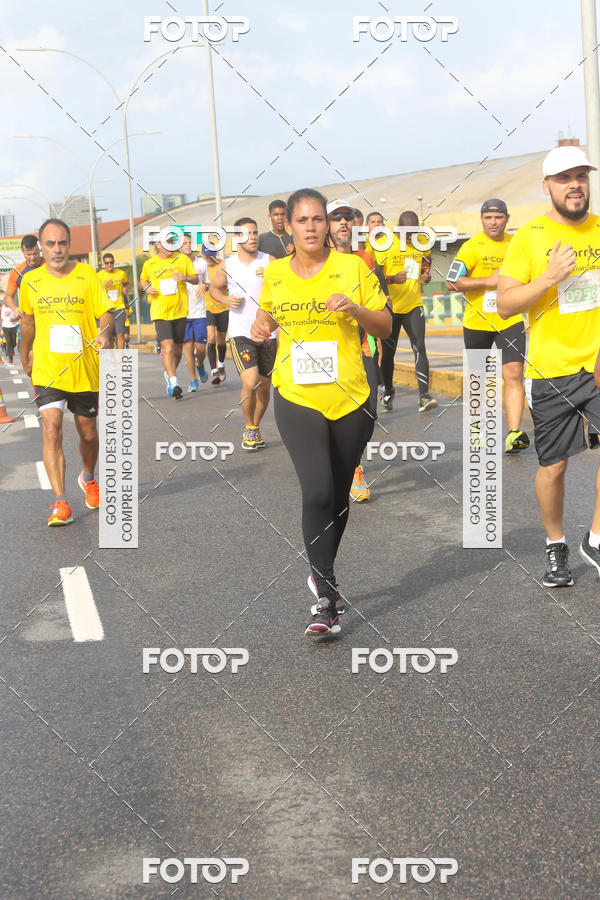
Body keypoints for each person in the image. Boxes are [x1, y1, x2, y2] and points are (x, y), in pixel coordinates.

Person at [251, 188, 391, 636]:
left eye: (318, 219)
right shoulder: (274, 273)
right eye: (302, 220)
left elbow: (385, 324)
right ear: (288, 226)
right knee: (315, 491)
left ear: (327, 225)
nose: (311, 227)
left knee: (335, 494)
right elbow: (266, 319)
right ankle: (326, 597)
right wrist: (262, 325)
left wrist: (356, 308)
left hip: (350, 395)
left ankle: (321, 569)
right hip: (297, 395)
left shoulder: (352, 267)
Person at [497, 145, 600, 587]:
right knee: (554, 466)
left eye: (581, 175)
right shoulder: (531, 237)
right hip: (552, 370)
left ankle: (595, 538)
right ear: (547, 187)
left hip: (596, 364)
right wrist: (548, 278)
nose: (575, 184)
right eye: (564, 178)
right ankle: (555, 543)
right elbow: (504, 305)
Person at [18, 218, 113, 526]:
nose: (56, 249)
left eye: (62, 243)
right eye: (50, 244)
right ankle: (60, 502)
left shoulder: (87, 275)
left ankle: (88, 478)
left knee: (88, 432)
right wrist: (25, 355)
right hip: (49, 370)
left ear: (69, 245)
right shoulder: (31, 281)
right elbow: (28, 322)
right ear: (41, 248)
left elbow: (105, 312)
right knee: (52, 429)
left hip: (84, 367)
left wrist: (106, 333)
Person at [447, 199, 530, 453]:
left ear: (507, 218)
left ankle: (513, 433)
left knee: (514, 374)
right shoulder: (472, 246)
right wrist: (489, 280)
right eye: (488, 218)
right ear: (482, 219)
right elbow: (452, 282)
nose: (493, 222)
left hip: (511, 319)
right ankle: (476, 430)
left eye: (498, 217)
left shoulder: (517, 244)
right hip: (477, 322)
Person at [327, 198, 386, 502]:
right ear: (327, 225)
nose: (343, 223)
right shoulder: (317, 262)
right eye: (336, 218)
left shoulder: (366, 260)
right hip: (328, 351)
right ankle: (349, 465)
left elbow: (382, 307)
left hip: (363, 348)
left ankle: (353, 462)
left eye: (347, 217)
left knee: (369, 412)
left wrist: (361, 311)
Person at [209, 218, 276, 450]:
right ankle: (249, 426)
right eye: (248, 234)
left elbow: (286, 287)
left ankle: (255, 427)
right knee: (251, 380)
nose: (254, 237)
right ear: (237, 238)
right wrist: (225, 299)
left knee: (265, 386)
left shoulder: (270, 261)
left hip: (268, 333)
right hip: (240, 333)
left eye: (256, 233)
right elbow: (214, 288)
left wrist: (272, 277)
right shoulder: (228, 265)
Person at [368, 211, 438, 413]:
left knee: (420, 346)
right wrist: (392, 279)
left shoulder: (422, 240)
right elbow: (375, 276)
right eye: (407, 234)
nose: (410, 238)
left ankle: (424, 396)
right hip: (390, 307)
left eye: (413, 233)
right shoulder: (384, 244)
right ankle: (388, 391)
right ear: (397, 228)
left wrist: (426, 275)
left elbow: (427, 261)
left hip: (413, 304)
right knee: (388, 354)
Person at [140, 237, 198, 398]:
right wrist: (146, 288)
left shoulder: (182, 259)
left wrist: (185, 278)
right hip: (160, 312)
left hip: (179, 311)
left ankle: (169, 373)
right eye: (167, 242)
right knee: (168, 346)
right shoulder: (150, 264)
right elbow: (143, 280)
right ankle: (173, 382)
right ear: (159, 245)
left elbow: (195, 278)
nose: (171, 245)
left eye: (173, 242)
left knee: (178, 351)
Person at [181, 233, 210, 392]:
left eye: (189, 242)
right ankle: (193, 380)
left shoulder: (202, 263)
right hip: (183, 314)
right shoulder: (176, 264)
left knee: (200, 348)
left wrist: (204, 286)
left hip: (199, 312)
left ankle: (200, 364)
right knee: (188, 347)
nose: (187, 245)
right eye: (184, 243)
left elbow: (208, 283)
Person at [203, 244, 228, 384]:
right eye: (207, 255)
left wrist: (221, 284)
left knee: (221, 340)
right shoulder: (201, 266)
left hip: (223, 306)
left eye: (212, 255)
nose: (210, 258)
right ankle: (214, 371)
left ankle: (221, 365)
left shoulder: (223, 264)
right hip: (207, 307)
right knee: (211, 338)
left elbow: (231, 281)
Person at [3, 234, 42, 318]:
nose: (32, 258)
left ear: (40, 249)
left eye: (35, 254)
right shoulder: (17, 271)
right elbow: (8, 296)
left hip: (49, 315)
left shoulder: (49, 265)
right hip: (28, 318)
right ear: (22, 251)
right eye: (28, 254)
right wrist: (14, 309)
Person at [97, 253, 129, 349]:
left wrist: (125, 290)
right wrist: (105, 286)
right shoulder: (99, 275)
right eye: (107, 263)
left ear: (114, 262)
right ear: (104, 264)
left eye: (111, 262)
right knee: (109, 337)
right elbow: (96, 291)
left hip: (119, 307)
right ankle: (110, 359)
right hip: (107, 309)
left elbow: (126, 283)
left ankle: (120, 358)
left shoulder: (121, 273)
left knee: (120, 334)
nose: (109, 265)